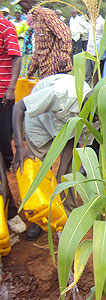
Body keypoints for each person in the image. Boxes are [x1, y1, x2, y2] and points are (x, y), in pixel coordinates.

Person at [12, 74, 92, 240]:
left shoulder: (98, 114)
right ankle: (42, 218)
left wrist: (61, 175)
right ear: (85, 105)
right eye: (94, 117)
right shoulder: (61, 93)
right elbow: (19, 107)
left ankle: (67, 217)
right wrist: (20, 147)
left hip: (66, 128)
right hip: (39, 121)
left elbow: (75, 139)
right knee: (38, 168)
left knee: (69, 174)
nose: (96, 121)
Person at [13, 0, 72, 78]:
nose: (20, 8)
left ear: (27, 1)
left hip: (57, 68)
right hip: (46, 70)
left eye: (21, 4)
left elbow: (65, 32)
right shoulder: (35, 19)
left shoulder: (46, 14)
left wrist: (63, 56)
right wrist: (30, 72)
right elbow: (39, 49)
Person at [0, 10, 21, 186]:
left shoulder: (6, 27)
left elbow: (16, 58)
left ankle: (9, 166)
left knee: (4, 135)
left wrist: (11, 88)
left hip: (3, 91)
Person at [85, 12, 104, 84]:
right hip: (89, 50)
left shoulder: (102, 22)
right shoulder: (90, 22)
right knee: (88, 73)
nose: (88, 14)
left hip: (97, 52)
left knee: (97, 73)